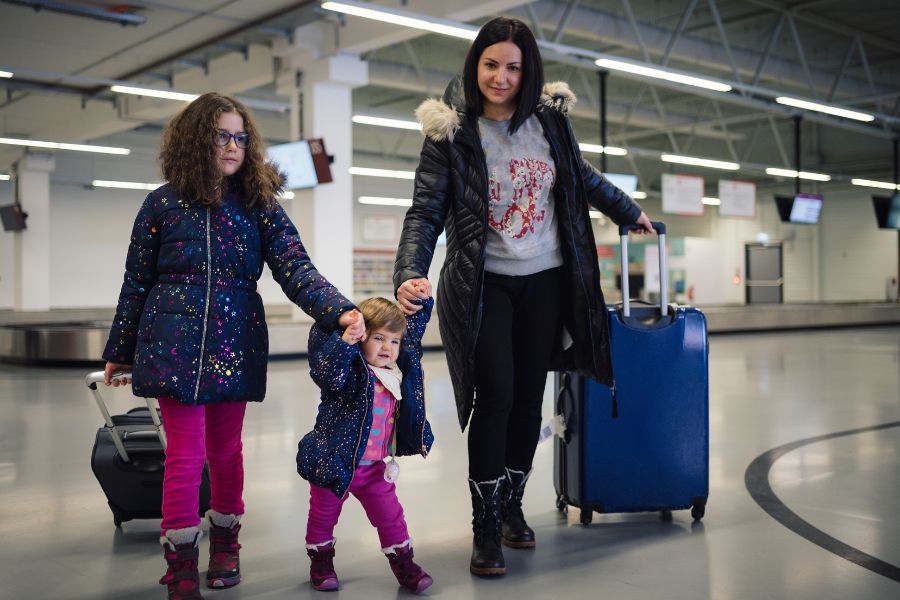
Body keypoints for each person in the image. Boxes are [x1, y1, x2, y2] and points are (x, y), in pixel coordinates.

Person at [393, 17, 653, 577]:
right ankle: (484, 526)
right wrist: (409, 270)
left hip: (548, 280)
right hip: (484, 283)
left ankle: (512, 506)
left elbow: (581, 177)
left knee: (531, 396)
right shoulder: (452, 132)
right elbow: (425, 210)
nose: (501, 77)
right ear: (475, 65)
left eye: (513, 67)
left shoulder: (549, 123)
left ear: (527, 70)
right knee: (497, 396)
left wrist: (628, 212)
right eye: (491, 64)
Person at [102, 92, 360, 600]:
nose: (232, 145)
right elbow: (135, 282)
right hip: (172, 345)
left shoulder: (259, 205)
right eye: (222, 134)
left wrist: (340, 309)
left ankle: (226, 545)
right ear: (197, 139)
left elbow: (296, 269)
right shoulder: (161, 203)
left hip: (233, 342)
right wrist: (121, 346)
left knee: (225, 451)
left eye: (240, 136)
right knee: (184, 454)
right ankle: (179, 561)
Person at [296, 295, 435, 594]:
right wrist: (346, 342)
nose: (388, 348)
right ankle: (320, 562)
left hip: (374, 468)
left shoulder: (395, 374)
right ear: (361, 339)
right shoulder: (350, 373)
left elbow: (413, 333)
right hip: (335, 462)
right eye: (378, 338)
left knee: (391, 515)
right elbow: (327, 375)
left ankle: (404, 564)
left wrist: (422, 300)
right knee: (323, 516)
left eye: (394, 341)